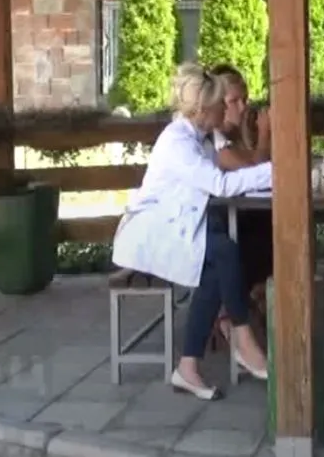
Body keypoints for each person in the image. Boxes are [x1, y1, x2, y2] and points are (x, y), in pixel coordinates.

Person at [111, 63, 272, 400]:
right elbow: (219, 184)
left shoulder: (201, 139)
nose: (225, 109)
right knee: (224, 252)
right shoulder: (177, 142)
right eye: (220, 104)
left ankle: (188, 368)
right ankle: (242, 338)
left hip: (179, 226)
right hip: (151, 233)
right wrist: (277, 171)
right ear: (203, 111)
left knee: (217, 263)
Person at [208, 64, 273, 341]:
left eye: (244, 99)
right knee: (261, 231)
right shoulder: (214, 140)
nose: (243, 107)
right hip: (215, 224)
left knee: (272, 223)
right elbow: (256, 171)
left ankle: (258, 294)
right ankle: (236, 307)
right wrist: (265, 133)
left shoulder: (235, 134)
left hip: (238, 215)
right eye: (234, 101)